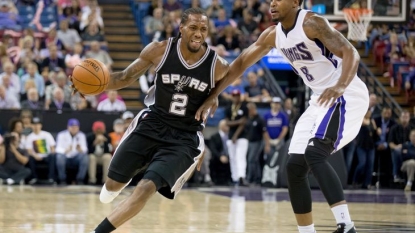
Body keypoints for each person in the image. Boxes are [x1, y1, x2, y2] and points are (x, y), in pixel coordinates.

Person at [195, 1, 369, 232]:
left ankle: (346, 226)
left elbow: (350, 52)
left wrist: (340, 86)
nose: (273, 3)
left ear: (296, 2)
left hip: (346, 92)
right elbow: (240, 64)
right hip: (319, 99)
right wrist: (214, 93)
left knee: (315, 153)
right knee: (295, 167)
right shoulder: (272, 35)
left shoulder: (311, 23)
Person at [71, 8, 229, 233]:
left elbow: (224, 85)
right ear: (181, 28)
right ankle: (141, 162)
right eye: (193, 27)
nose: (198, 33)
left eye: (203, 29)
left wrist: (213, 99)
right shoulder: (159, 50)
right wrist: (87, 86)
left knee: (145, 188)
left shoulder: (218, 65)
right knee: (111, 187)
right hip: (152, 123)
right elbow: (124, 77)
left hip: (183, 137)